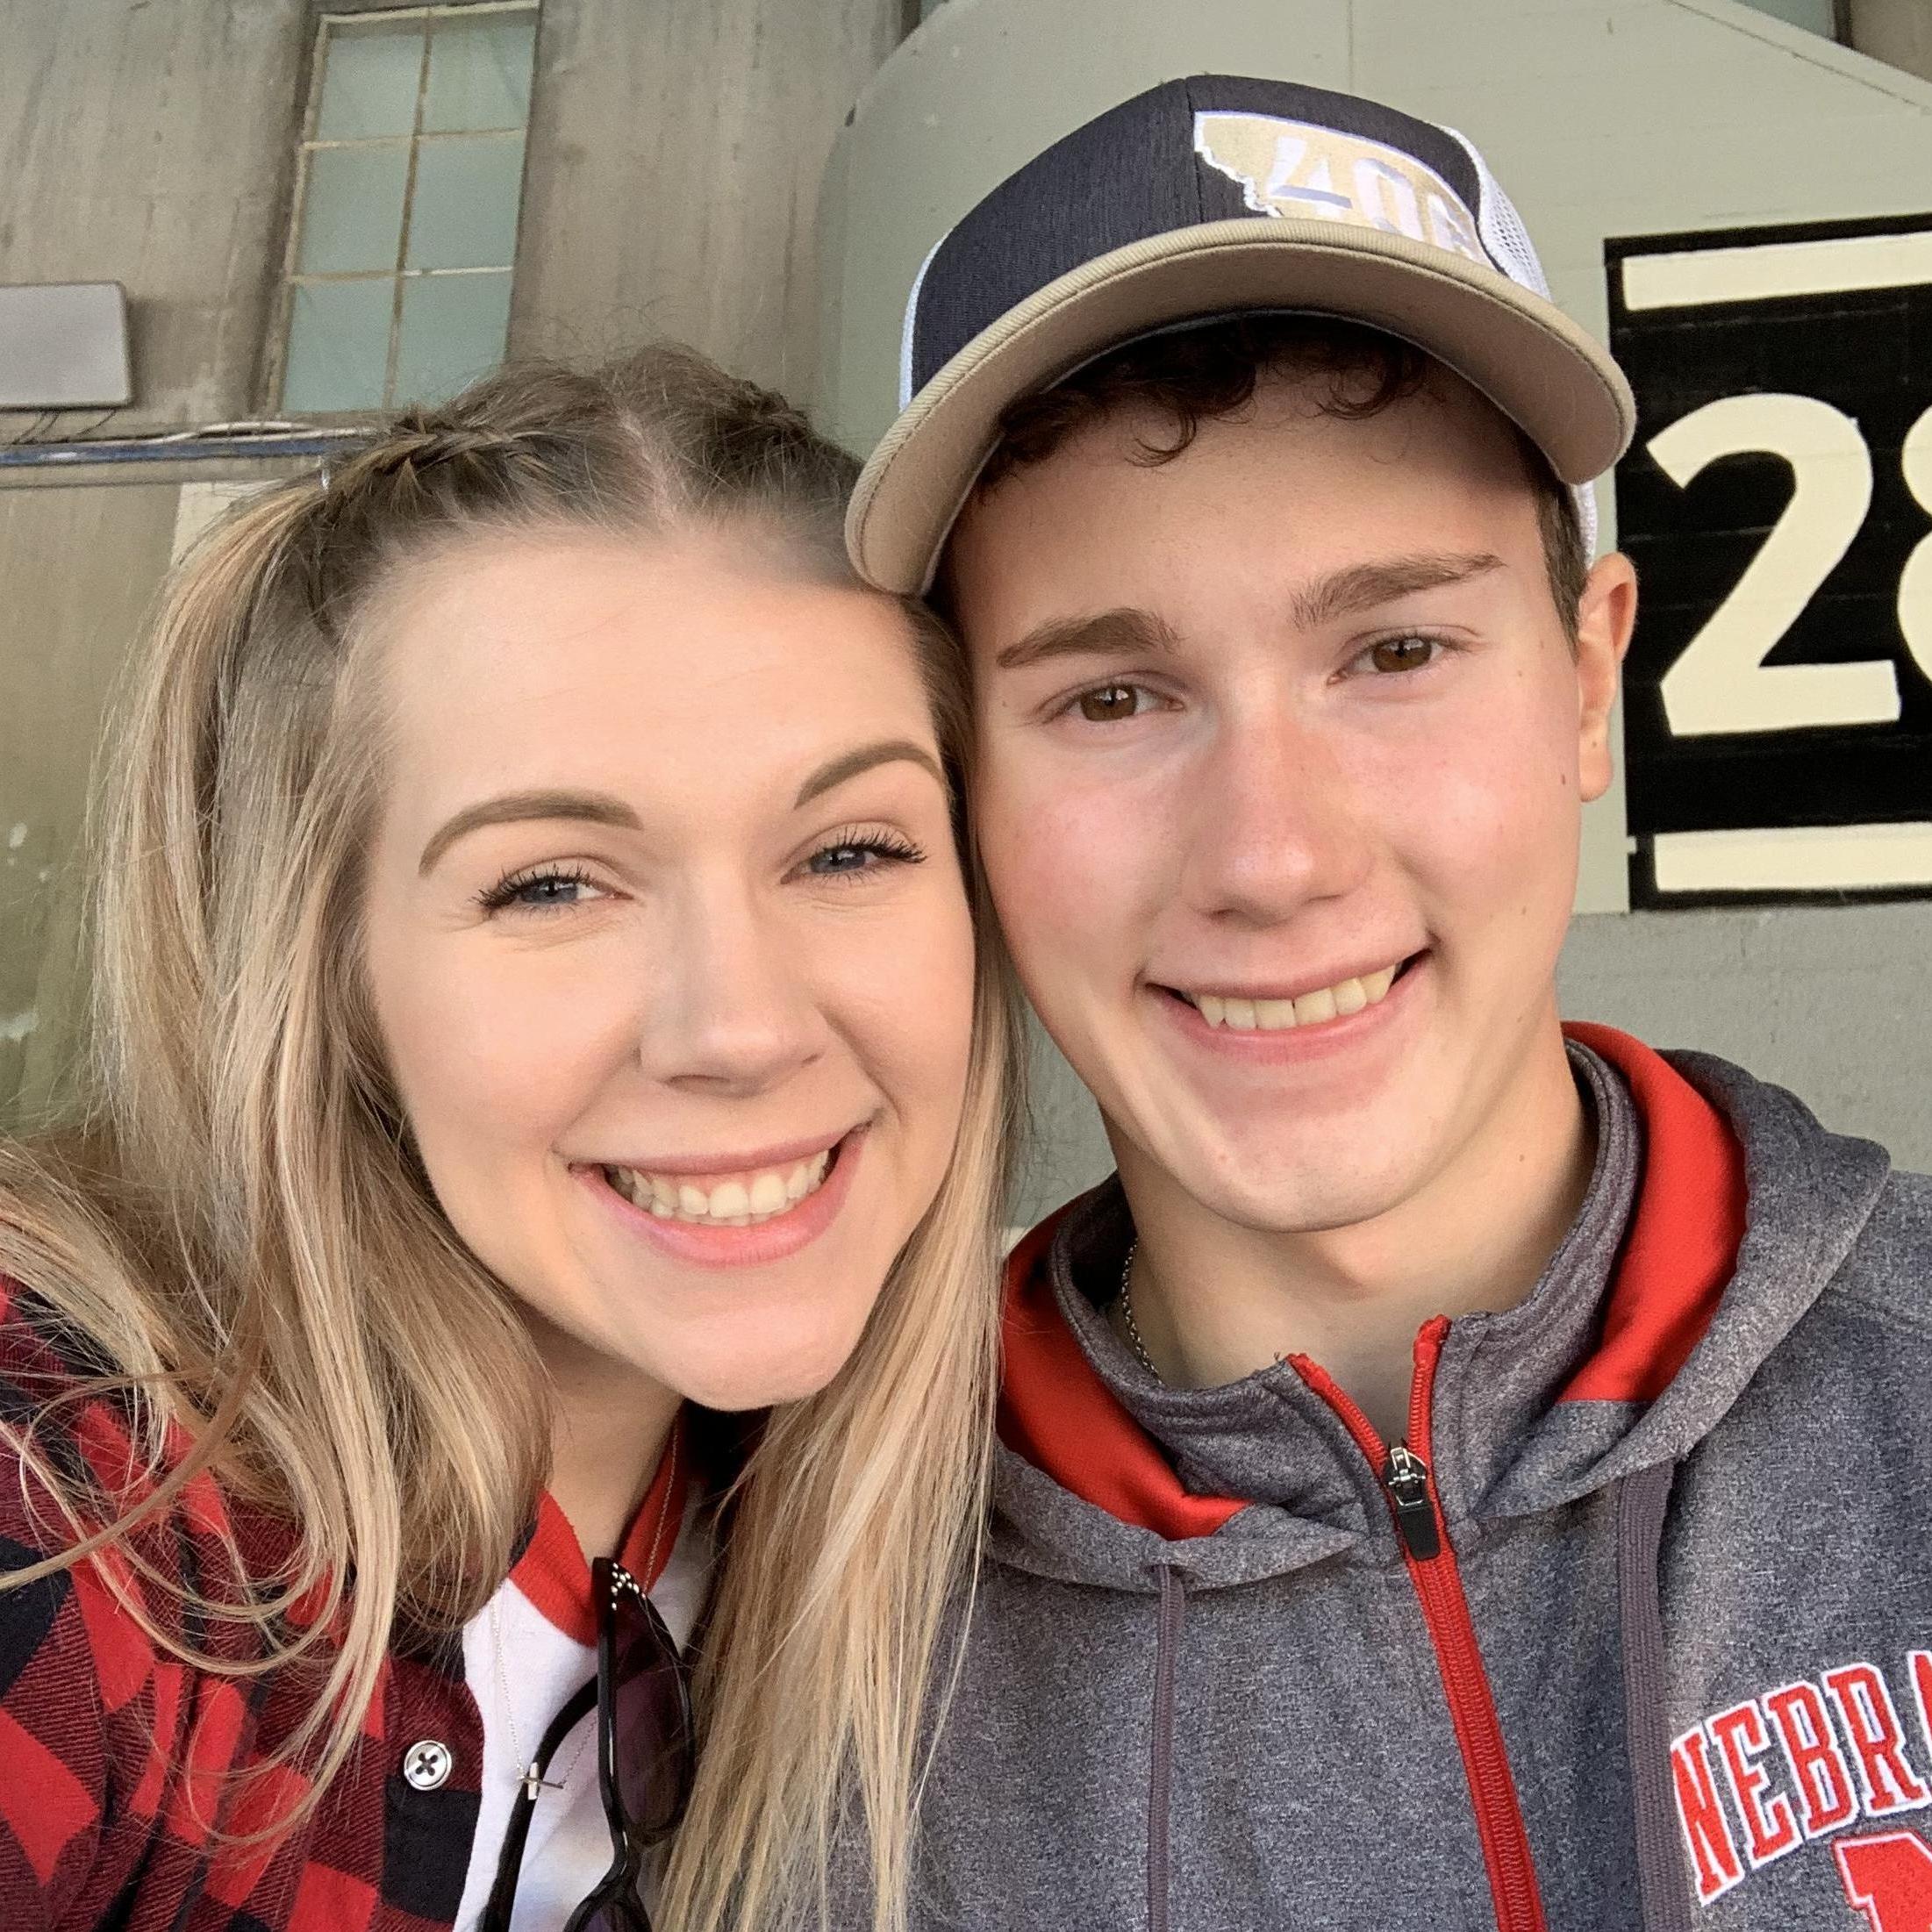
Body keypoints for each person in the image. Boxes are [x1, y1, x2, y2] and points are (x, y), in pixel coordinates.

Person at [842, 75, 1932, 1929]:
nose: (1273, 856)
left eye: (1396, 650)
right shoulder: (804, 1646)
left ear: (1586, 685)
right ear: (961, 782)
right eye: (1111, 697)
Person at [0, 347, 1020, 1932]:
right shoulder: (73, 1512)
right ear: (330, 978)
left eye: (848, 850)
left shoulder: (935, 1533)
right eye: (551, 882)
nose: (741, 1027)